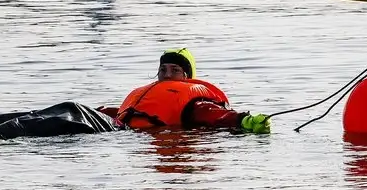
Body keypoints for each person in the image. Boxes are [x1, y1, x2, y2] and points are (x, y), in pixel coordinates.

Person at [109, 47, 271, 134]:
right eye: (163, 70)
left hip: (136, 136)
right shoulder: (147, 95)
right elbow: (120, 113)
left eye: (175, 70)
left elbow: (213, 114)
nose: (167, 75)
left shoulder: (195, 104)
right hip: (121, 130)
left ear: (188, 77)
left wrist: (244, 120)